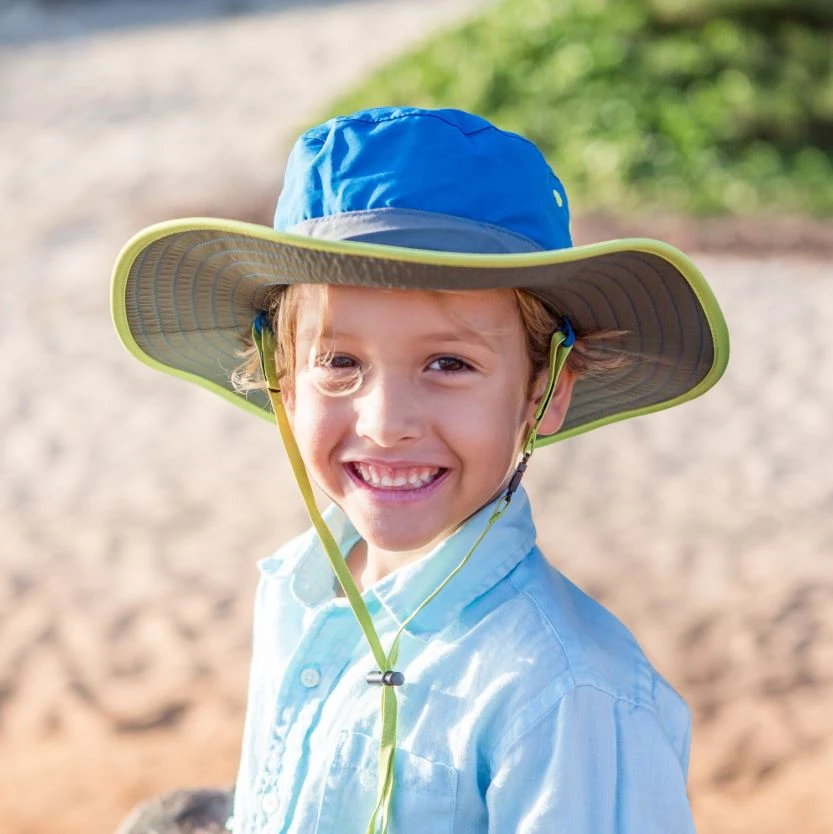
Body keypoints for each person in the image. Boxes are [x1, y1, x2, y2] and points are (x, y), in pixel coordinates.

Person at [111, 106, 729, 834]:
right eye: (339, 362)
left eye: (448, 363)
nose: (384, 422)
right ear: (280, 377)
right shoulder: (296, 594)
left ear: (544, 390)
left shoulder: (565, 695)